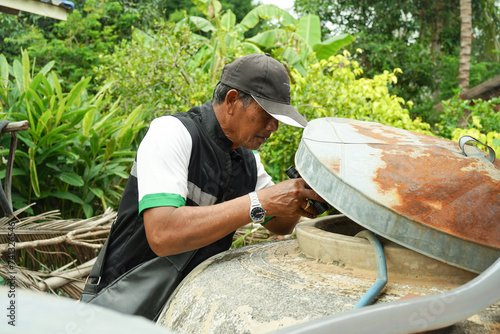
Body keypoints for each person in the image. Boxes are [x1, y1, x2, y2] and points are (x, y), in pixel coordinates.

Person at [81, 53, 324, 318]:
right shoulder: (172, 133)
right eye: (266, 114)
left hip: (181, 311)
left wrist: (304, 196)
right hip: (123, 305)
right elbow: (162, 234)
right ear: (232, 100)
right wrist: (259, 202)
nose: (274, 126)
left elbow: (281, 224)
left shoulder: (248, 162)